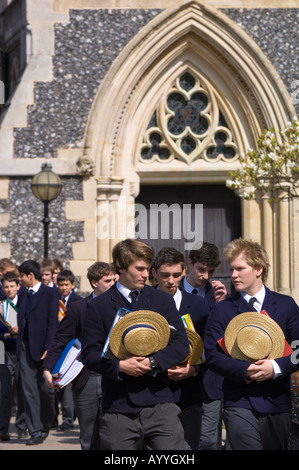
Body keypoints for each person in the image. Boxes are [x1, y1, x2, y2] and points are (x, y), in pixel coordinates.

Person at [81, 238, 189, 450]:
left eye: (147, 269)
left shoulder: (162, 301)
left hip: (160, 401)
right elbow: (89, 354)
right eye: (139, 269)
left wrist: (154, 362)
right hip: (118, 406)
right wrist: (119, 366)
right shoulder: (98, 306)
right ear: (120, 267)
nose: (145, 275)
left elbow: (181, 344)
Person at [204, 238, 299, 450]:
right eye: (232, 269)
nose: (233, 275)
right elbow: (212, 356)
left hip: (277, 402)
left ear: (258, 269)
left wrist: (274, 368)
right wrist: (246, 369)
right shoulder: (222, 310)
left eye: (239, 269)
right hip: (239, 402)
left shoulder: (285, 305)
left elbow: (298, 350)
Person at [43, 262, 117, 449]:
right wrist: (47, 368)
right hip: (86, 378)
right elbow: (60, 339)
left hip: (116, 377)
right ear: (94, 283)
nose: (112, 284)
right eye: (107, 280)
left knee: (116, 435)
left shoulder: (122, 307)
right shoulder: (78, 308)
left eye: (114, 279)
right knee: (89, 436)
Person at [151, 247, 210, 450]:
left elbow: (208, 349)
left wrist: (194, 370)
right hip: (153, 393)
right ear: (154, 274)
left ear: (184, 272)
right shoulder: (142, 306)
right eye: (165, 275)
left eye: (177, 275)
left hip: (189, 393)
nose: (171, 281)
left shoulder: (199, 306)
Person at [181, 242, 226, 450]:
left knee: (208, 441)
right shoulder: (170, 291)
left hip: (209, 379)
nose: (206, 276)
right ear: (190, 263)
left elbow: (224, 338)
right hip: (178, 378)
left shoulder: (219, 296)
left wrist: (221, 306)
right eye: (201, 269)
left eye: (210, 271)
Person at [16, 260, 59, 445]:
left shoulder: (50, 293)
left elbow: (52, 322)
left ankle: (46, 423)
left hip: (43, 349)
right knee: (29, 391)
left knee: (45, 390)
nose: (20, 280)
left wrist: (49, 347)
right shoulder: (23, 294)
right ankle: (34, 431)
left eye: (21, 276)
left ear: (30, 276)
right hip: (25, 348)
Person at [54, 269, 82, 431]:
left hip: (72, 345)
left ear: (72, 285)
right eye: (61, 285)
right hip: (58, 344)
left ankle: (68, 418)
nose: (63, 288)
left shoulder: (77, 301)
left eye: (66, 285)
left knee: (68, 385)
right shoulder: (55, 300)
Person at [0, 272, 26, 441]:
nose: (9, 290)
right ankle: (3, 428)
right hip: (6, 351)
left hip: (24, 351)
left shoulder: (25, 304)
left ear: (18, 286)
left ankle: (22, 426)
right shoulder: (1, 306)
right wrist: (7, 336)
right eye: (6, 287)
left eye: (12, 286)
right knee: (5, 391)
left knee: (23, 390)